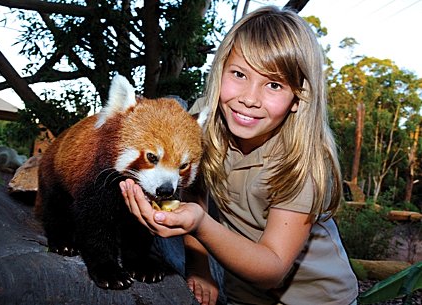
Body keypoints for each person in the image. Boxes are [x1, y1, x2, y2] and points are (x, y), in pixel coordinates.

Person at [120, 5, 358, 305]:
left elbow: (272, 268)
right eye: (239, 74)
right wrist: (199, 266)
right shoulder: (201, 122)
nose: (249, 98)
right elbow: (194, 191)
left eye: (273, 84)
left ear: (298, 98)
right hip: (244, 293)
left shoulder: (303, 164)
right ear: (220, 69)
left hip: (318, 298)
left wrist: (199, 224)